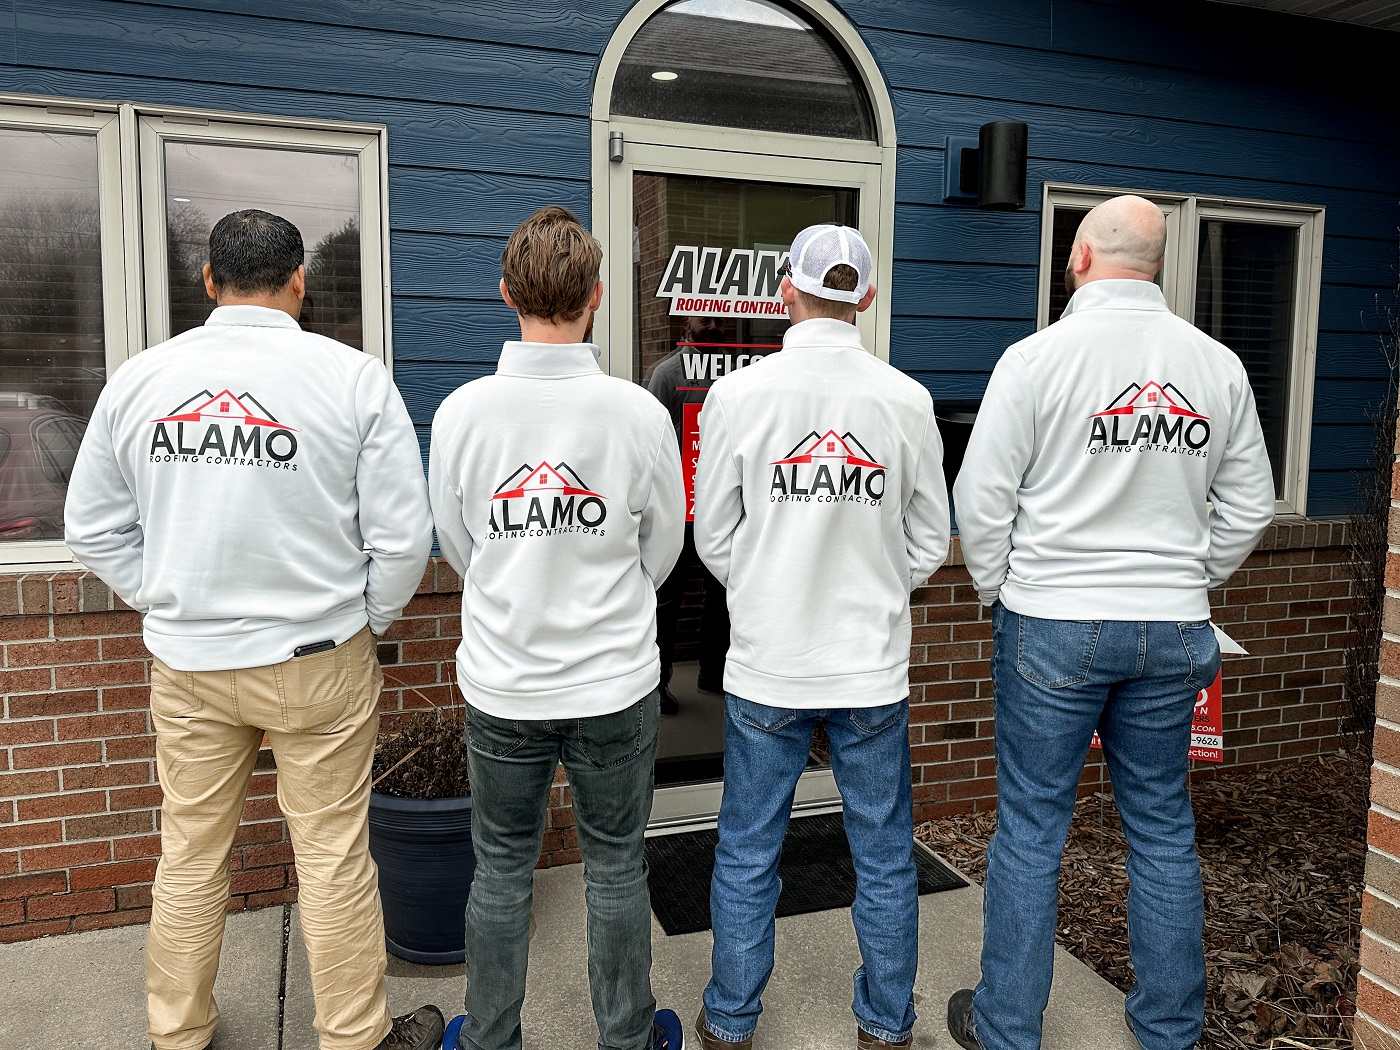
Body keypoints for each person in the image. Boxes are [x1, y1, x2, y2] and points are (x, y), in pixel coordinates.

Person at [63, 209, 441, 1050]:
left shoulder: (141, 380)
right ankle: (354, 1036)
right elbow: (402, 539)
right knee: (333, 854)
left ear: (209, 281)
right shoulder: (351, 378)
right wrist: (368, 619)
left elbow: (89, 525)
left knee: (191, 852)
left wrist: (163, 595)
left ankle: (179, 1033)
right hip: (319, 658)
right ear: (299, 281)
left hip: (189, 663)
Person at [946, 195, 1276, 1050]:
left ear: (1082, 258)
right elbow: (1253, 503)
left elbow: (981, 498)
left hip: (1053, 620)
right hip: (1172, 628)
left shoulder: (1036, 359)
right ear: (1155, 265)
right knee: (1161, 827)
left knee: (1031, 832)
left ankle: (1006, 1028)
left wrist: (1000, 590)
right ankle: (1169, 1030)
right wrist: (1189, 580)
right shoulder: (1216, 365)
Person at [427, 206, 687, 1050]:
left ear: (507, 294)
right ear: (597, 296)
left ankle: (489, 1038)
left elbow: (460, 544)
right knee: (616, 865)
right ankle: (628, 1037)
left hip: (505, 680)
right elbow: (663, 546)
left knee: (502, 867)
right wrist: (608, 594)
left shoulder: (462, 414)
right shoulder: (637, 414)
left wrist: (519, 584)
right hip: (614, 679)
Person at [690, 224, 951, 1050]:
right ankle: (886, 1023)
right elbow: (929, 540)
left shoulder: (740, 396)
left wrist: (765, 586)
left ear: (785, 291)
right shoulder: (905, 399)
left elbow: (713, 535)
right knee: (884, 853)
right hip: (868, 665)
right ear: (865, 297)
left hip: (769, 662)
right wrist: (878, 587)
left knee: (747, 849)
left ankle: (731, 1019)